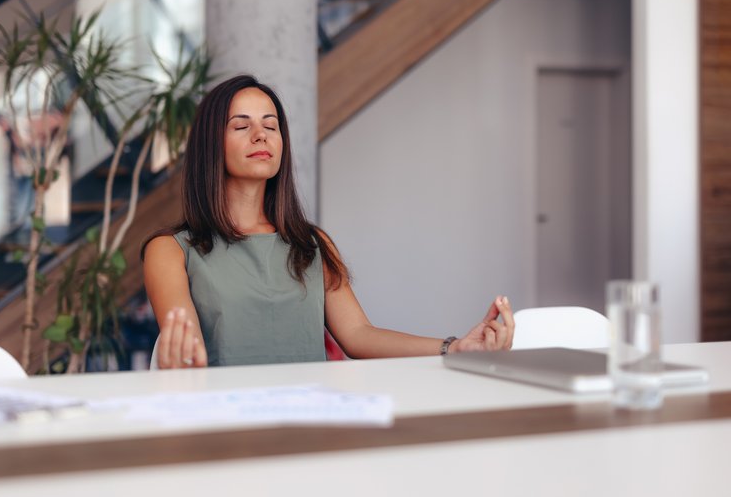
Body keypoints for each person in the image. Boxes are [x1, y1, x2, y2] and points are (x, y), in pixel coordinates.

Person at [142, 75, 514, 369]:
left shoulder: (312, 243)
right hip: (225, 422)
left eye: (271, 126)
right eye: (241, 126)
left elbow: (358, 335)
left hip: (311, 418)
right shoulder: (171, 250)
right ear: (211, 144)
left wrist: (454, 347)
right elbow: (185, 352)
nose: (261, 135)